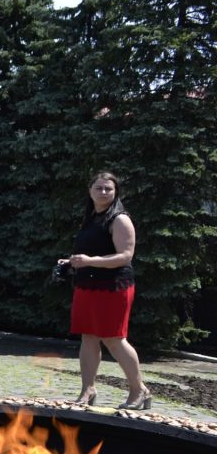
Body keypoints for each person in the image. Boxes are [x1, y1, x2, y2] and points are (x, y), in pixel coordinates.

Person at [57, 172, 149, 409]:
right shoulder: (92, 217)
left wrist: (89, 261)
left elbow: (125, 256)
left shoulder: (119, 219)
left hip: (114, 287)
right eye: (99, 188)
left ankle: (140, 391)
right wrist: (72, 262)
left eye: (109, 189)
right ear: (90, 190)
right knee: (88, 337)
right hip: (88, 285)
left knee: (114, 339)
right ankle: (88, 390)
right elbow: (92, 253)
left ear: (116, 192)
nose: (104, 192)